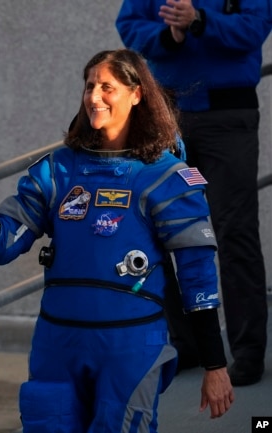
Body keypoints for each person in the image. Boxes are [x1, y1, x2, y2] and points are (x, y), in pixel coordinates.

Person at [0, 49, 233, 431]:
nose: (94, 97)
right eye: (89, 86)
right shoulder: (59, 169)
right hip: (58, 343)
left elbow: (198, 278)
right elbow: (3, 244)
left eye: (107, 87)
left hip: (129, 345)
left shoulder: (168, 175)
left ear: (137, 94)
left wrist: (214, 365)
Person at [116, 0, 270, 386]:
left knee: (235, 232)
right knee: (156, 230)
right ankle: (184, 344)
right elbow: (130, 24)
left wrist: (200, 21)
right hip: (167, 118)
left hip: (227, 118)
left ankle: (248, 351)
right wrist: (170, 35)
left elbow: (254, 28)